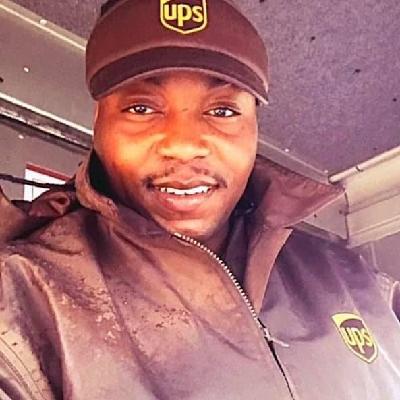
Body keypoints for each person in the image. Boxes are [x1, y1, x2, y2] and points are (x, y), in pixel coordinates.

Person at [0, 0, 399, 399]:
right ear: (98, 125)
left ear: (254, 128)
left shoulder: (353, 279)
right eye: (141, 108)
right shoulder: (24, 299)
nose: (184, 145)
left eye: (222, 111)